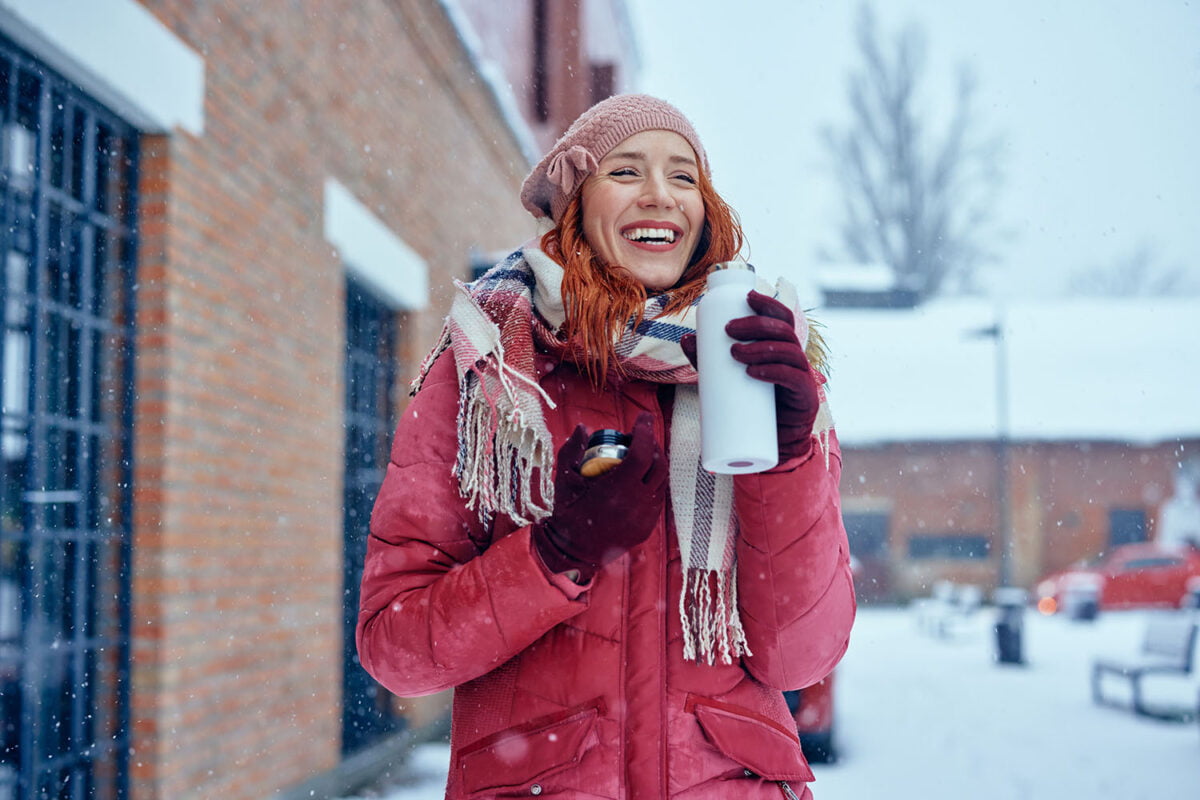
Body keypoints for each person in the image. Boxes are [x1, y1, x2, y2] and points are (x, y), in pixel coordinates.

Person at [357, 94, 855, 799]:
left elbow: (802, 656)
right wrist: (555, 552)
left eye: (685, 178)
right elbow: (395, 649)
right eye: (627, 171)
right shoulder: (493, 367)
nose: (661, 195)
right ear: (575, 206)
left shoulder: (760, 363)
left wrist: (792, 457)